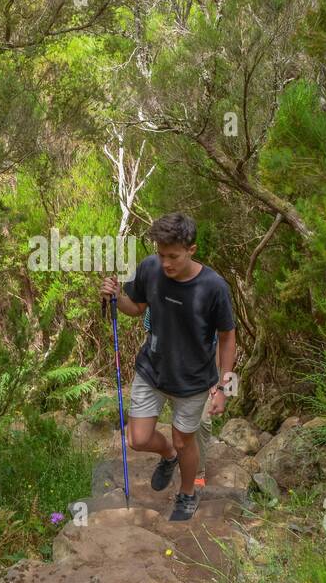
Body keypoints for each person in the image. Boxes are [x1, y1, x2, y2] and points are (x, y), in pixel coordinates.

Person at [101, 212, 237, 521]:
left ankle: (187, 493)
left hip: (193, 379)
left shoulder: (214, 287)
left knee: (183, 438)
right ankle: (168, 455)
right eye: (161, 255)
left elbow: (228, 338)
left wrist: (224, 390)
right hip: (152, 369)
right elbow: (136, 308)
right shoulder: (150, 268)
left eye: (173, 256)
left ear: (192, 249)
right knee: (137, 439)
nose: (166, 263)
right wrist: (115, 298)